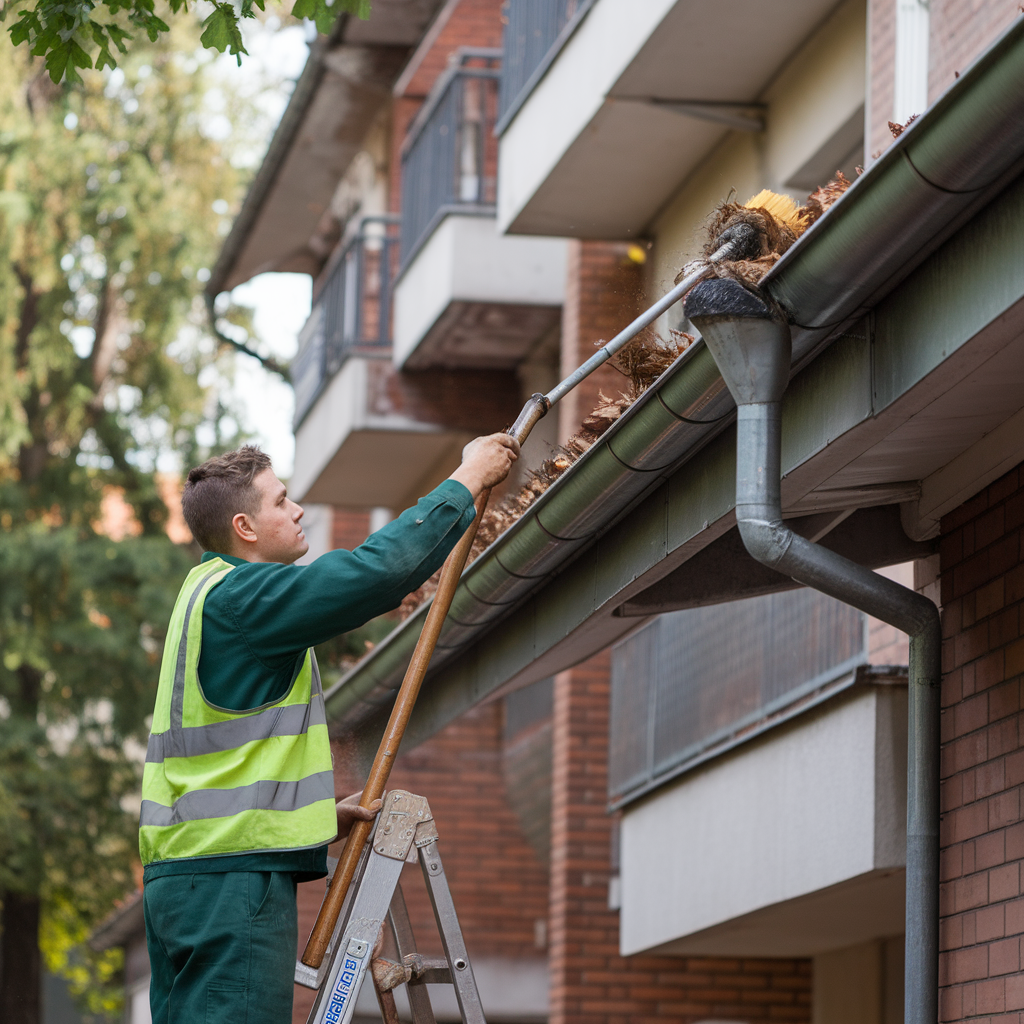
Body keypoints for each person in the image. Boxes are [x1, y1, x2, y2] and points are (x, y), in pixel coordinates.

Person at [139, 432, 519, 1023]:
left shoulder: (204, 594)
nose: (297, 511)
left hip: (187, 881)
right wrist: (467, 479)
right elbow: (377, 573)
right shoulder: (245, 599)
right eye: (281, 501)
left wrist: (313, 819)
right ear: (245, 527)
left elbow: (223, 766)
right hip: (232, 882)